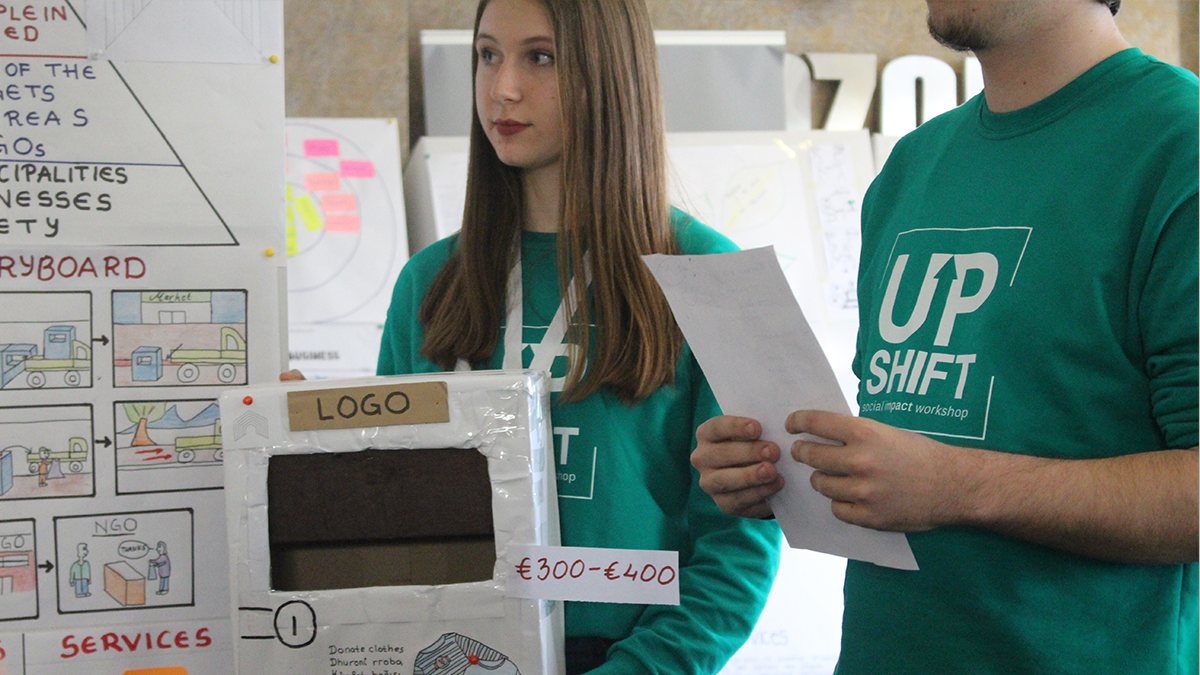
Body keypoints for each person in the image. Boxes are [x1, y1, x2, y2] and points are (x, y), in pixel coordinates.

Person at [691, 1, 1198, 673]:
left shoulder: (1179, 141)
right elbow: (912, 425)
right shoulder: (914, 162)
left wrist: (960, 488)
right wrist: (782, 473)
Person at [376, 0, 780, 672]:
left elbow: (737, 547)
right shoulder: (428, 282)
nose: (503, 88)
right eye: (487, 55)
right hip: (454, 651)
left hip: (630, 652)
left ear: (609, 73)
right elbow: (390, 514)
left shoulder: (707, 274)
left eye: (541, 57)